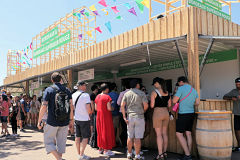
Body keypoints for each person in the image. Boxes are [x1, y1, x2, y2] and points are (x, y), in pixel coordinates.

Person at [37, 72, 74, 160]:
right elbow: (71, 106)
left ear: (52, 80)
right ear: (61, 79)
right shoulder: (67, 90)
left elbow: (44, 106)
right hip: (65, 121)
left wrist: (39, 121)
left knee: (48, 142)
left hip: (52, 121)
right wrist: (71, 120)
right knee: (61, 144)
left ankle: (59, 159)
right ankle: (59, 158)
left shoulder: (49, 90)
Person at [173, 76, 200, 160]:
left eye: (179, 83)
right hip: (191, 113)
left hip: (183, 114)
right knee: (188, 133)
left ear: (181, 82)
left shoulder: (180, 89)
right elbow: (197, 103)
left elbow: (174, 101)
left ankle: (187, 155)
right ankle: (188, 154)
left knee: (179, 134)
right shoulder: (194, 90)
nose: (179, 85)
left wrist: (175, 93)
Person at [121, 79, 149, 160]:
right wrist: (142, 111)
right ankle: (137, 156)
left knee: (130, 136)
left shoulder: (126, 94)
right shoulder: (141, 93)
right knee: (137, 138)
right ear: (137, 85)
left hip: (130, 117)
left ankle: (129, 154)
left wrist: (124, 117)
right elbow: (146, 105)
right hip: (139, 117)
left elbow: (122, 106)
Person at [151, 77, 172, 160]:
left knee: (159, 134)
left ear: (158, 83)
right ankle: (165, 152)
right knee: (164, 133)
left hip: (157, 113)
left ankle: (160, 155)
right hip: (166, 113)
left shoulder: (154, 93)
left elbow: (152, 106)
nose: (154, 85)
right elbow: (169, 105)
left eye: (155, 83)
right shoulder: (167, 93)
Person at [72, 81, 93, 160]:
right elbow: (88, 108)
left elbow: (72, 108)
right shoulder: (86, 95)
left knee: (77, 136)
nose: (85, 87)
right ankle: (81, 154)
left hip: (76, 118)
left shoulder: (73, 95)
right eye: (84, 85)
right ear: (80, 86)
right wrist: (90, 113)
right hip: (84, 119)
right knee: (85, 137)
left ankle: (79, 154)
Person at [95, 83, 116, 156]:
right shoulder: (107, 97)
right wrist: (113, 108)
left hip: (99, 116)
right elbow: (109, 108)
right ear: (106, 89)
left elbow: (95, 108)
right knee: (106, 132)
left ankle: (100, 148)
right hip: (106, 117)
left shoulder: (97, 96)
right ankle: (106, 150)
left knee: (100, 132)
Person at [223, 77, 240, 151]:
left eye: (239, 84)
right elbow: (224, 97)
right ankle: (239, 146)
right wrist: (232, 98)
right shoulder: (234, 91)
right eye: (236, 84)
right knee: (237, 130)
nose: (238, 85)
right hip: (237, 114)